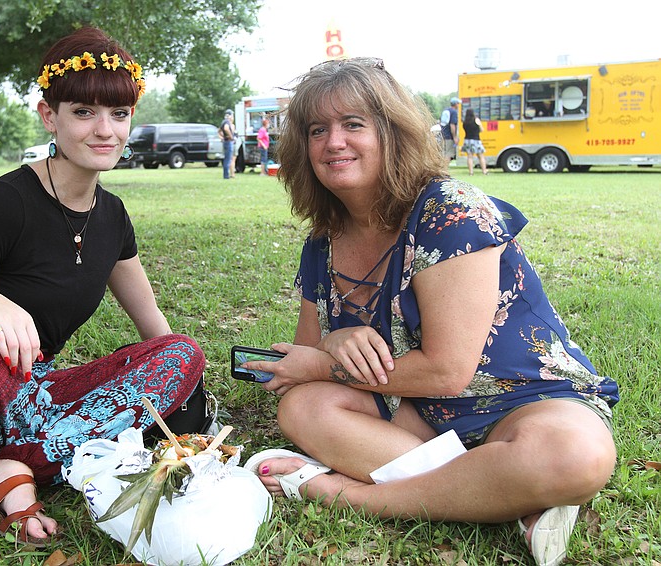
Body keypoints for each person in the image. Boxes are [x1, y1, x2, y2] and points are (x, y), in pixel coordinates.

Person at [241, 57, 618, 566]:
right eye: (317, 130)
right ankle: (496, 492)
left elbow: (447, 371)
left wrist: (319, 365)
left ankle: (350, 495)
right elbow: (303, 360)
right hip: (417, 416)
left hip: (526, 402)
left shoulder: (451, 210)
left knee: (576, 458)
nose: (334, 142)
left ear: (391, 133)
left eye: (353, 124)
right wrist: (331, 343)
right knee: (303, 407)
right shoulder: (322, 242)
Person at [0, 27, 210, 547]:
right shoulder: (10, 201)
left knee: (183, 353)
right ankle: (42, 453)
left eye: (119, 113)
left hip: (31, 396)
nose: (105, 130)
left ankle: (12, 464)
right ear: (48, 116)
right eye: (84, 112)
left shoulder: (112, 217)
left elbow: (157, 334)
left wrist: (183, 388)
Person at [461, 108, 488, 175]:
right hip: (476, 140)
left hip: (467, 140)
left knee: (469, 157)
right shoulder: (476, 120)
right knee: (480, 156)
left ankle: (471, 172)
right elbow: (481, 130)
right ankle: (484, 171)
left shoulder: (465, 122)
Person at [440, 96, 460, 164]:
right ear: (455, 104)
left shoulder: (446, 110)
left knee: (443, 153)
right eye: (458, 103)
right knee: (448, 154)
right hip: (449, 136)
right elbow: (452, 125)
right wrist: (455, 137)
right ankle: (444, 168)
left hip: (443, 135)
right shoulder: (453, 112)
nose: (458, 105)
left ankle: (442, 167)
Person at [219, 109, 236, 179]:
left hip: (225, 141)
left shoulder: (223, 122)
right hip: (228, 142)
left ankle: (226, 174)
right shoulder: (227, 122)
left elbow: (219, 131)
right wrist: (231, 137)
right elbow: (226, 129)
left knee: (227, 158)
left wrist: (222, 137)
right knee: (228, 159)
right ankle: (226, 175)